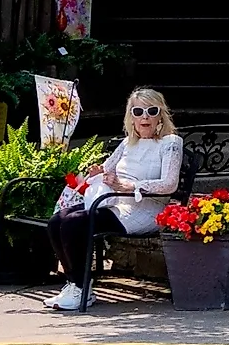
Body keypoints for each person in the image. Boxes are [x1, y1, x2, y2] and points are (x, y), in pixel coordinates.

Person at [48, 88, 184, 313]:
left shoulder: (170, 142)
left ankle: (82, 287)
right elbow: (106, 171)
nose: (145, 117)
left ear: (161, 115)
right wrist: (97, 173)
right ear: (131, 116)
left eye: (152, 111)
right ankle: (76, 284)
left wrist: (129, 186)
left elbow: (170, 184)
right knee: (57, 221)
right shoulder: (127, 144)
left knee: (75, 223)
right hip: (114, 203)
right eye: (138, 111)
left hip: (144, 210)